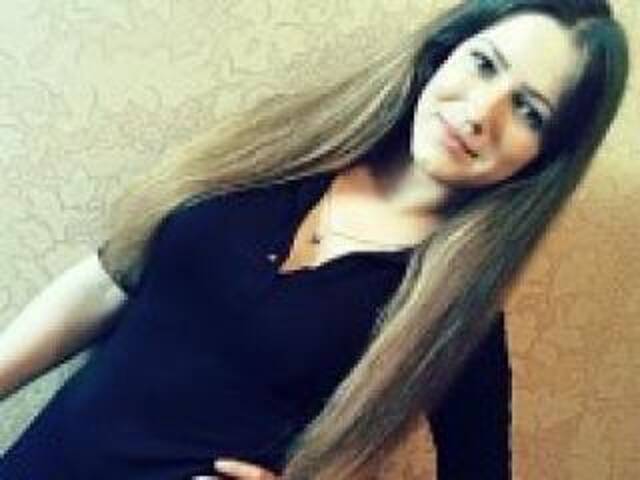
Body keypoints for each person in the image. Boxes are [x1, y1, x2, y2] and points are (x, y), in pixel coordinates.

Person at [0, 0, 628, 478]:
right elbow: (110, 280)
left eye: (528, 111)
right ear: (447, 49)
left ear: (546, 157)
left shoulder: (455, 318)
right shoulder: (283, 149)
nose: (480, 113)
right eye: (485, 64)